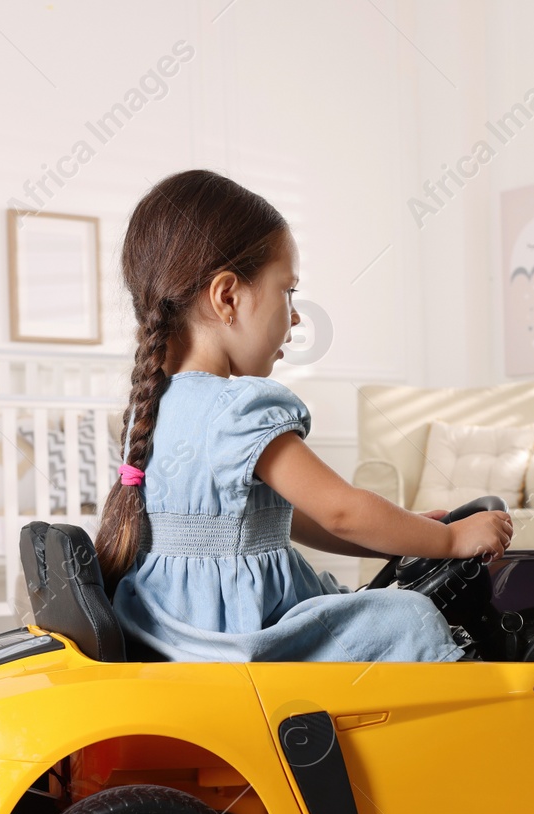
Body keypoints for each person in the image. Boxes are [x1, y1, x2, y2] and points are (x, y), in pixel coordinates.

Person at [98, 170, 512, 662]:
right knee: (410, 618)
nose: (294, 316)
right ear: (227, 296)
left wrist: (405, 537)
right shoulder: (240, 410)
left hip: (178, 633)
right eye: (287, 290)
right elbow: (343, 511)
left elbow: (298, 517)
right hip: (242, 639)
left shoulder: (152, 411)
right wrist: (448, 538)